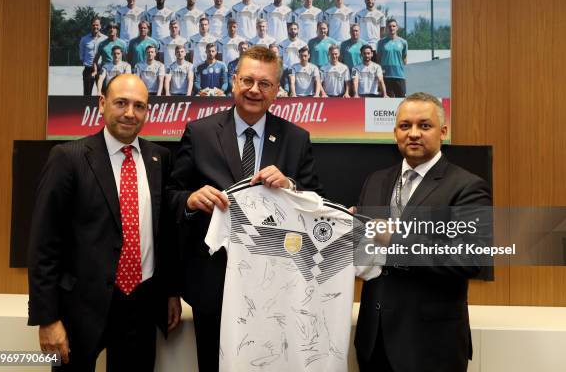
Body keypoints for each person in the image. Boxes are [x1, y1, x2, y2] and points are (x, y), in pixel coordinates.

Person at [167, 45, 323, 372]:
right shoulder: (201, 132)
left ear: (277, 90)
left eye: (265, 84)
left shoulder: (296, 138)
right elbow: (170, 195)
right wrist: (191, 200)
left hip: (276, 288)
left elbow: (317, 205)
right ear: (234, 81)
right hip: (213, 286)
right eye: (248, 81)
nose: (255, 90)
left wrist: (291, 187)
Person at [28, 74, 181, 371]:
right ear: (102, 104)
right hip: (79, 309)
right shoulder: (67, 158)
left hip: (141, 304)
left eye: (139, 106)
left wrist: (171, 291)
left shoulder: (160, 158)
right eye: (121, 103)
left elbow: (166, 234)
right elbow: (43, 244)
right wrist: (47, 318)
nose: (129, 113)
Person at [354, 92, 492, 372]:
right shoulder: (376, 180)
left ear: (443, 131)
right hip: (374, 340)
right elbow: (366, 250)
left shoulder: (466, 187)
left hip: (431, 346)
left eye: (424, 125)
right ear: (395, 133)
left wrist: (395, 239)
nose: (413, 133)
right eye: (405, 126)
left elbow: (470, 258)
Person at [377, 19, 408, 98]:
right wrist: (380, 74)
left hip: (399, 76)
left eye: (394, 26)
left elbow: (404, 59)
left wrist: (404, 74)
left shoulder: (403, 42)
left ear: (397, 28)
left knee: (401, 100)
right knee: (387, 100)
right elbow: (379, 60)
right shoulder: (381, 42)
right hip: (386, 76)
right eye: (389, 26)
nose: (392, 28)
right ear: (387, 28)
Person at [78, 17, 106, 95]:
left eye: (97, 25)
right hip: (88, 69)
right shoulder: (84, 39)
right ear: (91, 26)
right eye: (93, 25)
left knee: (102, 94)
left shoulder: (105, 39)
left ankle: (101, 107)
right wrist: (87, 64)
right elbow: (81, 55)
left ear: (100, 26)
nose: (95, 27)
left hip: (101, 69)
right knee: (87, 95)